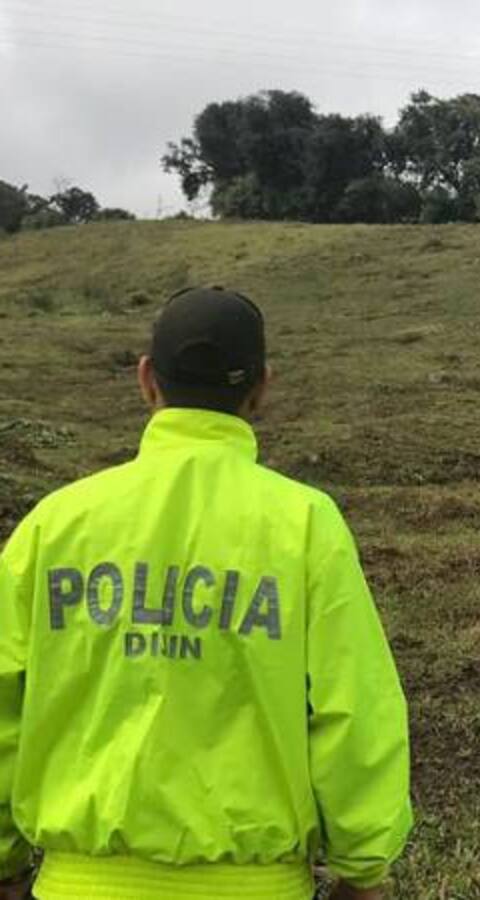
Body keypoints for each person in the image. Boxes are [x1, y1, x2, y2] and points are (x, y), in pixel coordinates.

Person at [0, 286, 412, 900]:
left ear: (147, 380)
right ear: (262, 388)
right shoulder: (305, 524)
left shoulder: (55, 524)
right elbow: (354, 710)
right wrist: (363, 867)